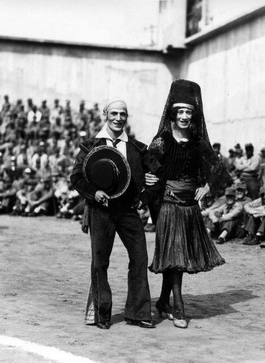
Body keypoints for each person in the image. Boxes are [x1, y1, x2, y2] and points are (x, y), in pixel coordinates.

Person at [143, 80, 229, 329]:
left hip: (190, 206)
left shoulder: (197, 141)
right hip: (168, 204)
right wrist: (150, 177)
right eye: (180, 111)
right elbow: (147, 164)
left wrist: (208, 187)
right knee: (176, 254)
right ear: (172, 112)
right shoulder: (162, 140)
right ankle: (179, 307)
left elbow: (217, 167)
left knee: (176, 256)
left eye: (188, 112)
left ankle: (162, 302)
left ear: (194, 115)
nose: (184, 116)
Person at [71, 98, 155, 330]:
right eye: (114, 113)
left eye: (123, 114)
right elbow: (76, 177)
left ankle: (138, 313)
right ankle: (101, 314)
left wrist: (146, 192)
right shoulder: (90, 146)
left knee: (139, 258)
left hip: (128, 211)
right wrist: (93, 192)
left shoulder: (138, 148)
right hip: (101, 212)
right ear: (105, 115)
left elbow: (157, 174)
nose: (118, 118)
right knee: (100, 262)